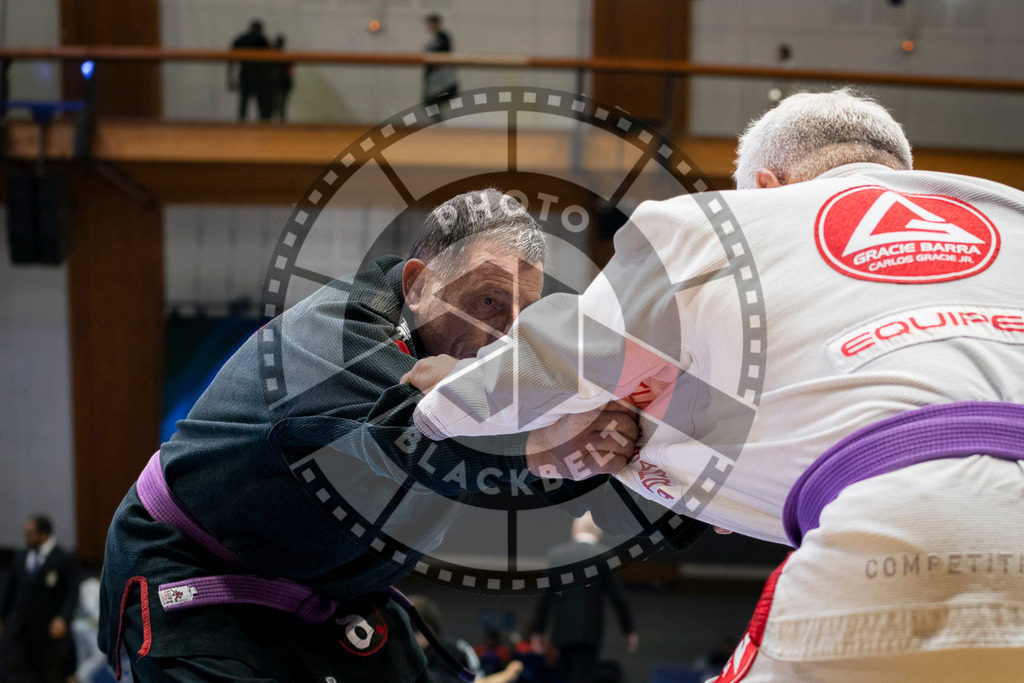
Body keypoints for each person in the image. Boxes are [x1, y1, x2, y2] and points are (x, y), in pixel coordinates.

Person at [407, 90, 1024, 680]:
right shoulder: (1012, 216)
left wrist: (442, 397)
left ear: (766, 188)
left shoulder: (717, 224)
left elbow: (552, 364)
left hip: (905, 527)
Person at [97, 189, 643, 682]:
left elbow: (566, 472)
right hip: (194, 569)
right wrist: (555, 442)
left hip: (327, 593)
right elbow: (423, 434)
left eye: (524, 314)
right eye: (487, 301)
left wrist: (637, 461)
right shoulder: (332, 338)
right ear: (418, 284)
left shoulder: (477, 373)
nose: (505, 334)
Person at [532, 512, 637, 683]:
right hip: (589, 632)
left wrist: (538, 630)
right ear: (598, 532)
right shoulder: (605, 556)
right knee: (583, 677)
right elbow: (618, 598)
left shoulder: (557, 556)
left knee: (564, 677)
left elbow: (546, 597)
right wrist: (629, 629)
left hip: (561, 632)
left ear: (576, 529)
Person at [0, 515, 80, 683]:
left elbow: (72, 593)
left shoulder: (64, 558)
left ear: (44, 534)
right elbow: (10, 590)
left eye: (30, 533)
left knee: (51, 674)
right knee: (17, 673)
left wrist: (63, 618)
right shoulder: (20, 556)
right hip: (22, 628)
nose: (26, 536)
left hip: (49, 630)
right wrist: (2, 617)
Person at [408, 595, 523, 683]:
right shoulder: (401, 654)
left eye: (410, 629)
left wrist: (509, 673)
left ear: (426, 629)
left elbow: (479, 682)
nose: (404, 638)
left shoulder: (455, 651)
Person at [229, 19, 272, 121]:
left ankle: (244, 123)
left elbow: (230, 60)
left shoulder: (243, 40)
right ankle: (262, 125)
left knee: (247, 104)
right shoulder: (262, 40)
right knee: (258, 105)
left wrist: (230, 78)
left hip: (250, 76)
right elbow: (230, 58)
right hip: (257, 77)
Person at [422, 13, 458, 107]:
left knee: (431, 101)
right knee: (428, 102)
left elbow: (442, 54)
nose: (429, 26)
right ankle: (438, 119)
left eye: (431, 23)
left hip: (441, 75)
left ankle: (439, 119)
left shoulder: (443, 38)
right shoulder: (434, 39)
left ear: (436, 23)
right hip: (434, 75)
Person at [268, 34, 294, 122]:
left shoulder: (273, 57)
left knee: (276, 107)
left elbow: (289, 72)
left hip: (277, 84)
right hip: (279, 85)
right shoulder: (284, 57)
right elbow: (290, 72)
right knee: (278, 107)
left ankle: (275, 125)